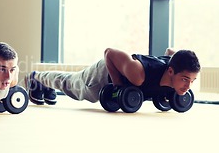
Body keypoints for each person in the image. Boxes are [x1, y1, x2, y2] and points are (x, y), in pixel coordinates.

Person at [25, 48, 201, 104]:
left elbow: (171, 51)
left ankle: (42, 83)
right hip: (101, 77)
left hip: (121, 73)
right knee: (69, 83)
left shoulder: (173, 65)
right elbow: (109, 52)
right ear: (171, 71)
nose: (188, 87)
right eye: (185, 80)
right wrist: (118, 86)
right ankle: (36, 78)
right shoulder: (138, 74)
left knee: (68, 82)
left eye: (192, 81)